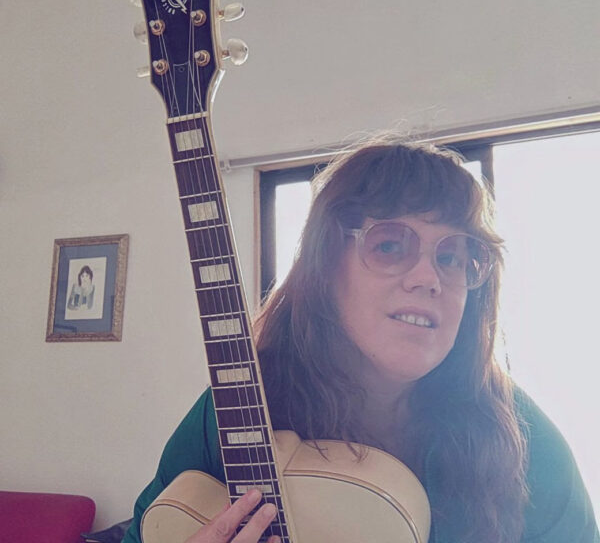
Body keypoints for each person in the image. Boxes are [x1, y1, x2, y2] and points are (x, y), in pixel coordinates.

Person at [123, 136, 599, 543]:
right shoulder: (239, 406)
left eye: (453, 257)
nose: (428, 278)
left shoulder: (520, 437)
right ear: (325, 266)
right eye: (389, 245)